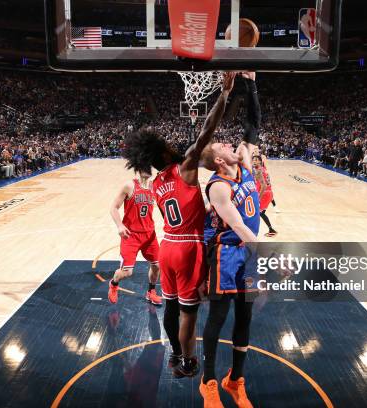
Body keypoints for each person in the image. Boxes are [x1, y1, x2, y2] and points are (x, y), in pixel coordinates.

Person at [122, 72, 236, 378]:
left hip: (168, 245)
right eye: (167, 144)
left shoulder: (157, 182)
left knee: (171, 308)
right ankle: (188, 361)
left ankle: (174, 352)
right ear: (163, 152)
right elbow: (205, 134)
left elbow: (181, 207)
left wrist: (204, 206)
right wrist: (224, 95)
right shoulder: (183, 168)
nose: (173, 145)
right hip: (188, 247)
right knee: (189, 313)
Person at [198, 72, 261, 408]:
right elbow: (236, 224)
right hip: (227, 255)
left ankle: (235, 380)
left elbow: (253, 126)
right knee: (218, 320)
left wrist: (250, 83)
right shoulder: (218, 186)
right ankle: (208, 382)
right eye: (222, 144)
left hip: (247, 252)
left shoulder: (245, 165)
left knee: (245, 318)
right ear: (219, 160)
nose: (229, 142)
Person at [108, 171, 162, 306]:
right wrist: (120, 226)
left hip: (149, 234)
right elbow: (113, 207)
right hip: (131, 235)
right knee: (127, 272)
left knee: (157, 266)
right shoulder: (129, 186)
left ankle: (151, 292)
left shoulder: (154, 186)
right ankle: (114, 284)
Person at [252, 153, 277, 237]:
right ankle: (271, 229)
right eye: (253, 160)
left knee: (257, 213)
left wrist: (258, 198)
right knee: (261, 213)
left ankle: (253, 233)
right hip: (269, 193)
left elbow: (264, 185)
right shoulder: (264, 168)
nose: (254, 161)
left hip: (264, 194)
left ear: (260, 161)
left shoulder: (258, 171)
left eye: (256, 160)